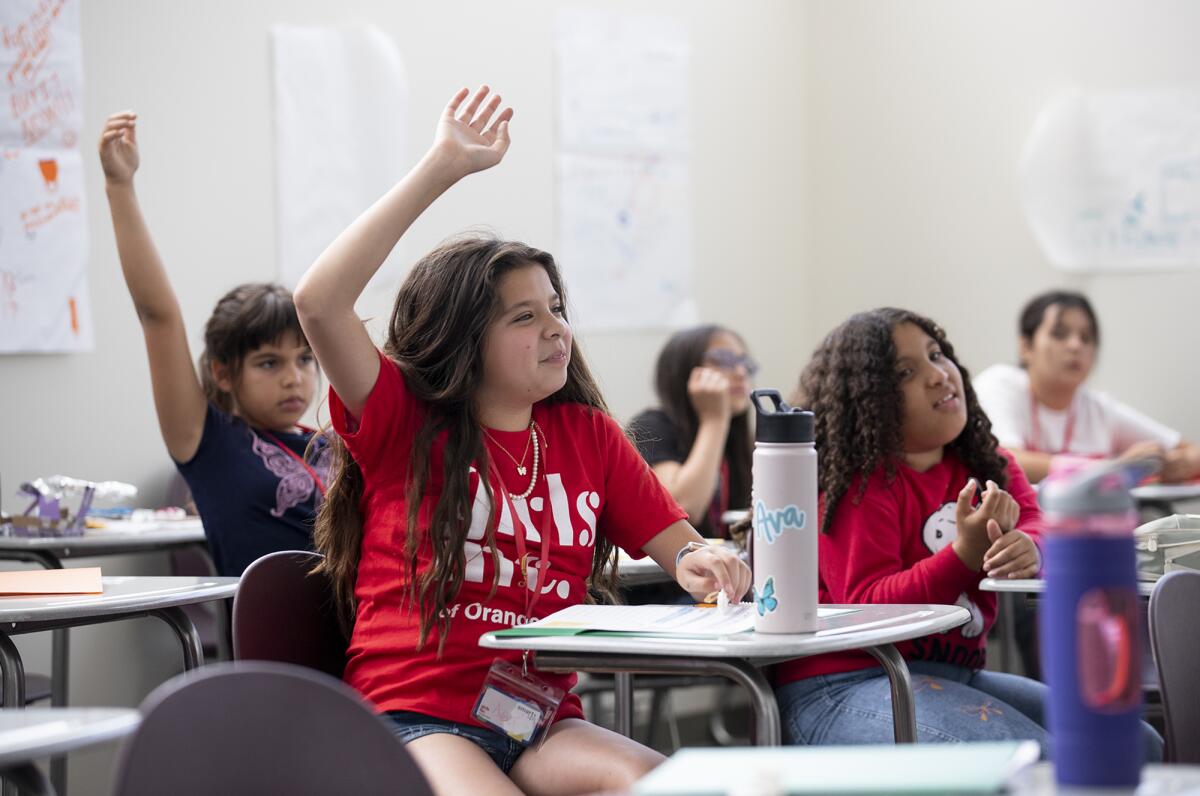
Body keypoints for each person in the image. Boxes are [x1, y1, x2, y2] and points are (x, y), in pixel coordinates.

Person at [294, 85, 751, 795]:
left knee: (668, 785)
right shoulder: (402, 422)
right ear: (462, 339)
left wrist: (706, 560)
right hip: (414, 716)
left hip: (537, 722)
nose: (555, 329)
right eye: (523, 317)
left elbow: (682, 544)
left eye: (557, 309)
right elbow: (318, 301)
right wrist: (442, 167)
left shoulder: (588, 437)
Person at [772, 308, 1162, 759]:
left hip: (949, 674)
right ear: (866, 400)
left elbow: (1040, 524)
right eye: (905, 371)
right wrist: (963, 555)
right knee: (1043, 761)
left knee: (1138, 746)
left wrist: (1030, 548)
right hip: (843, 686)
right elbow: (868, 608)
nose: (938, 375)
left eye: (937, 355)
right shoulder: (856, 483)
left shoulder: (987, 463)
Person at [99, 112, 327, 577]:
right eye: (268, 363)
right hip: (283, 641)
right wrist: (120, 186)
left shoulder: (330, 444)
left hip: (367, 626)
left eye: (304, 358)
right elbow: (157, 316)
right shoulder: (210, 443)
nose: (293, 376)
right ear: (223, 372)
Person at [974, 290, 1200, 484]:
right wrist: (1113, 469)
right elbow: (1006, 461)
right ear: (1026, 346)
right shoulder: (1000, 384)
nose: (1075, 345)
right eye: (1060, 334)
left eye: (1086, 337)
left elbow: (1189, 449)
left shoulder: (1098, 408)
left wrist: (1182, 463)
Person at [627, 325, 754, 538]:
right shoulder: (651, 425)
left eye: (744, 363)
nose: (740, 372)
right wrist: (714, 419)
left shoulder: (739, 439)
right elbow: (683, 506)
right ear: (684, 370)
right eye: (723, 360)